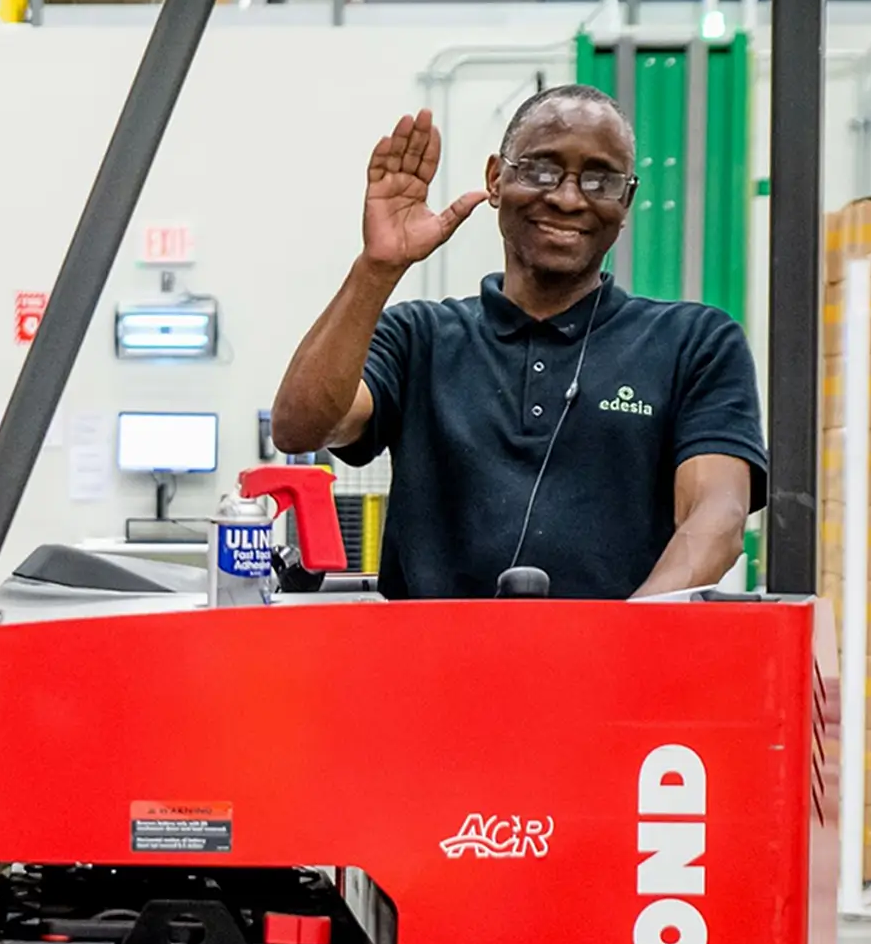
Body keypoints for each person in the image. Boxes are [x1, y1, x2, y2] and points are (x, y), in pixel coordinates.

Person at [269, 87, 766, 600]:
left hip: (614, 672)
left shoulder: (695, 344)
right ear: (495, 180)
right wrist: (378, 267)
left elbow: (717, 515)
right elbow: (300, 426)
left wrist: (626, 641)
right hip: (428, 672)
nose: (569, 198)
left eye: (600, 179)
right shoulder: (418, 339)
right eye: (541, 170)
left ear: (627, 201)